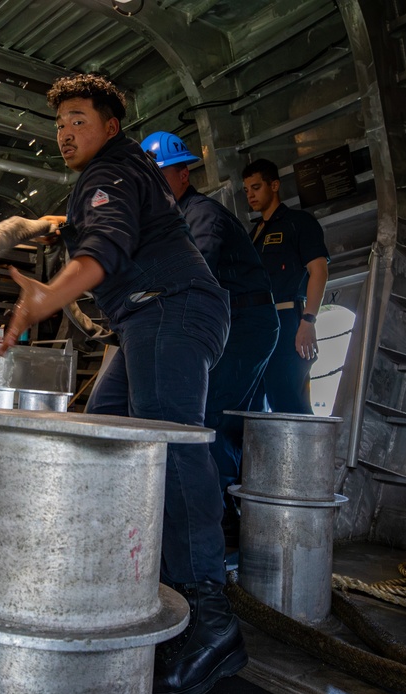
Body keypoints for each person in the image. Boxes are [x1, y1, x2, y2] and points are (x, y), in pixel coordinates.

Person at [0, 74, 245, 694]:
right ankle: (118, 575)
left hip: (169, 308)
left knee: (169, 443)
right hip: (149, 315)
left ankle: (208, 615)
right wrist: (61, 226)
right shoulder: (118, 175)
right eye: (60, 124)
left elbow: (107, 248)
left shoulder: (108, 175)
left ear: (110, 128)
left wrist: (48, 296)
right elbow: (108, 227)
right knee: (105, 431)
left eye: (78, 120)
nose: (65, 133)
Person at [143, 131, 279, 547]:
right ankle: (233, 517)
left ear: (184, 173)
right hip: (230, 323)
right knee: (227, 420)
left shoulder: (201, 216)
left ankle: (215, 529)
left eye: (159, 176)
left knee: (212, 417)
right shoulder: (168, 220)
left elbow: (192, 271)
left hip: (245, 324)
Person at [242, 158, 330, 414]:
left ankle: (305, 455)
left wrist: (308, 321)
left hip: (286, 320)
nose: (251, 195)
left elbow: (319, 271)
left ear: (275, 185)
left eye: (256, 187)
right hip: (256, 326)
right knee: (254, 406)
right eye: (246, 190)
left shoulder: (298, 223)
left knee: (289, 401)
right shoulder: (253, 235)